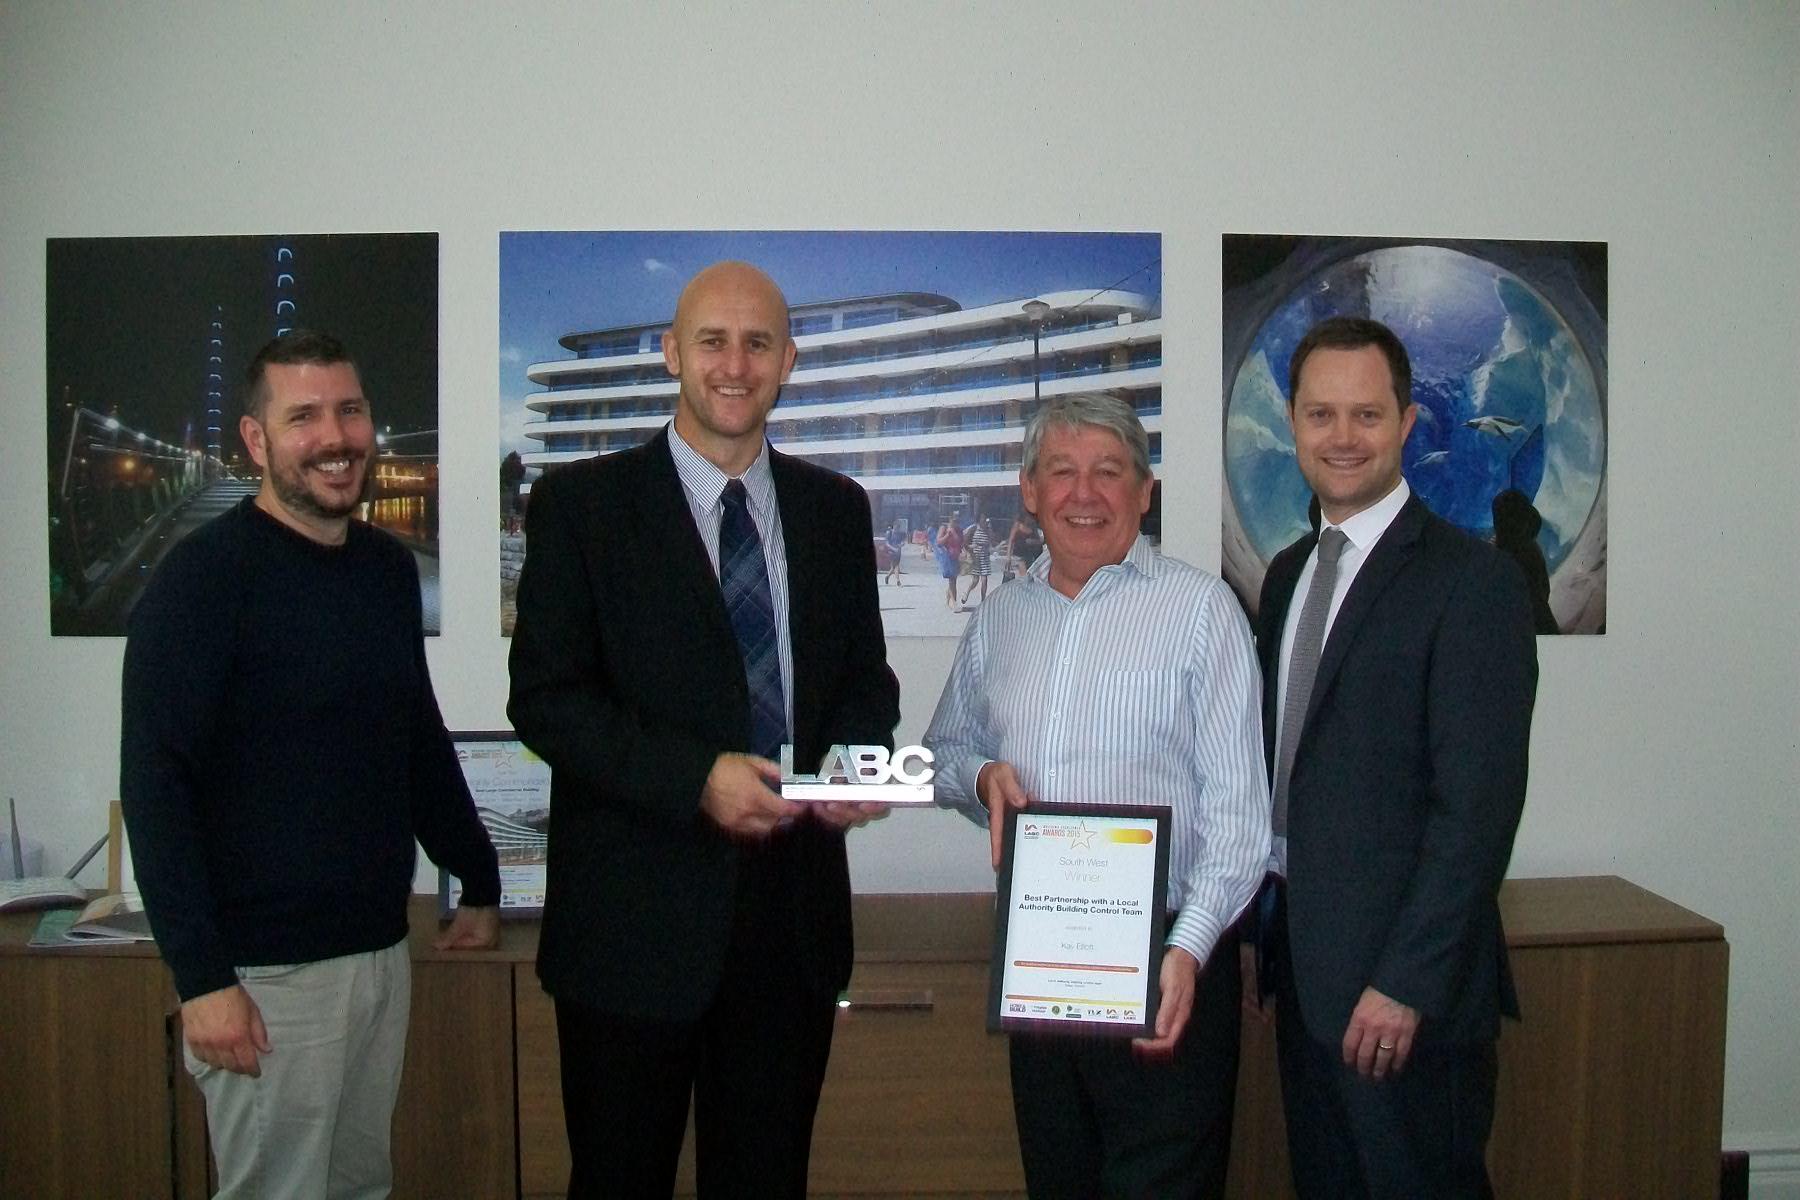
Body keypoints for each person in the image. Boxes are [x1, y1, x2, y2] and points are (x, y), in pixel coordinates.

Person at [507, 261, 901, 1199]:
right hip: (629, 935)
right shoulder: (580, 507)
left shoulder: (835, 510)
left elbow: (863, 680)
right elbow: (548, 699)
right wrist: (696, 778)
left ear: (789, 361)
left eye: (758, 342)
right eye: (713, 341)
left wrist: (853, 758)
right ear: (673, 353)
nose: (736, 364)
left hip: (789, 933)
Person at [120, 330, 502, 1200]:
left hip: (377, 955)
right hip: (264, 979)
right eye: (304, 417)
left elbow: (415, 737)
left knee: (361, 1187)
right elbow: (156, 786)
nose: (336, 436)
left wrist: (477, 878)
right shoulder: (200, 582)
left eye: (351, 410)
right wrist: (203, 979)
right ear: (257, 441)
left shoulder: (381, 571)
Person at [926, 393, 1269, 1199]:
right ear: (1030, 491)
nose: (1086, 494)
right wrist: (981, 777)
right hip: (1040, 968)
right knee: (1060, 1183)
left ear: (1144, 492)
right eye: (1063, 472)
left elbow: (1241, 821)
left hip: (1168, 962)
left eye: (1110, 472)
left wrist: (1188, 949)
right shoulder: (1000, 618)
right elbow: (944, 750)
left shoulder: (1200, 611)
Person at [1249, 316, 1537, 1198]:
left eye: (1366, 416)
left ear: (1408, 425)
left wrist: (1405, 983)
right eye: (1320, 414)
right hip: (1303, 975)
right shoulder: (1288, 573)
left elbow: (1477, 811)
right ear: (1292, 423)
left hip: (1402, 1001)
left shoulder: (1475, 582)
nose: (1342, 437)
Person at [959, 514, 994, 605]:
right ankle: (966, 593)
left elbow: (992, 540)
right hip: (976, 557)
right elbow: (964, 541)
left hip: (985, 557)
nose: (985, 521)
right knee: (975, 580)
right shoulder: (974, 528)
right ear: (979, 520)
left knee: (984, 580)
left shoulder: (988, 530)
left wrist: (989, 529)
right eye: (983, 519)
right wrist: (969, 549)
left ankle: (983, 600)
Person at [934, 512, 964, 608]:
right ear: (950, 519)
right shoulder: (944, 528)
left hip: (956, 557)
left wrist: (964, 552)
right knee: (952, 580)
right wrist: (947, 535)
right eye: (954, 520)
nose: (956, 522)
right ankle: (954, 602)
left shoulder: (959, 530)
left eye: (957, 520)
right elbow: (938, 542)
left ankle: (948, 601)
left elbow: (961, 542)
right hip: (947, 556)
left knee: (953, 579)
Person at [884, 517, 906, 585]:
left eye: (898, 527)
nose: (897, 529)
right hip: (891, 552)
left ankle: (887, 576)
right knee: (896, 566)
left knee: (893, 567)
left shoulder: (900, 534)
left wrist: (901, 544)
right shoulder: (889, 533)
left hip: (898, 552)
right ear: (893, 526)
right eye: (896, 527)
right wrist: (893, 549)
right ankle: (898, 581)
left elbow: (902, 542)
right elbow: (887, 543)